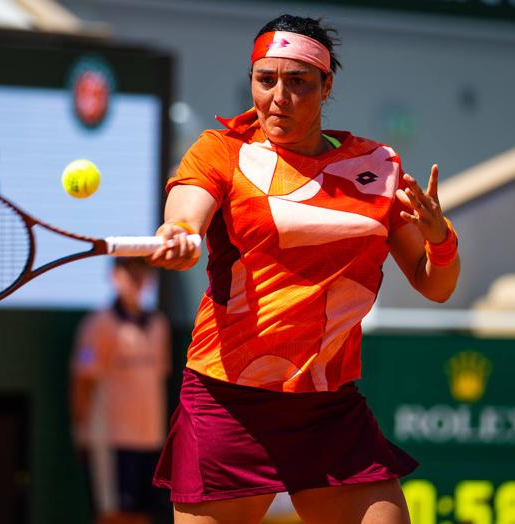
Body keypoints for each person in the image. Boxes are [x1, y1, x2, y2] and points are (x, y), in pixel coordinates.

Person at [148, 14, 460, 524]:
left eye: (298, 83)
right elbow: (186, 214)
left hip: (328, 409)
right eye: (265, 80)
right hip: (228, 403)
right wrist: (178, 235)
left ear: (326, 85)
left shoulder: (378, 167)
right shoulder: (220, 152)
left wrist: (439, 237)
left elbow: (436, 284)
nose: (278, 97)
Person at [71, 257, 172, 524]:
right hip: (111, 441)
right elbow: (83, 382)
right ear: (114, 275)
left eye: (142, 272)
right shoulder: (98, 324)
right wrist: (81, 432)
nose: (136, 279)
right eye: (129, 271)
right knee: (113, 516)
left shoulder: (159, 325)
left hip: (151, 440)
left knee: (144, 515)